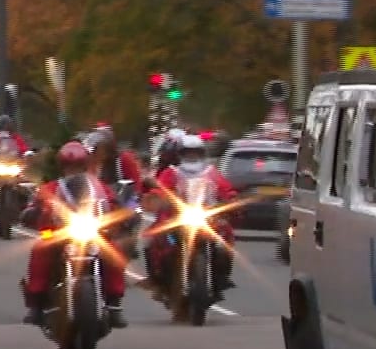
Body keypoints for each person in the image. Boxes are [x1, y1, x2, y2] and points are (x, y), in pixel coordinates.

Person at [20, 140, 128, 329]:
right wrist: (32, 212)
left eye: (78, 166)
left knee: (114, 250)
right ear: (62, 167)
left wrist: (122, 213)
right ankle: (36, 303)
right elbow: (36, 204)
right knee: (39, 248)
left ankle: (114, 303)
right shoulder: (53, 187)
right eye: (70, 166)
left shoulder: (98, 187)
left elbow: (113, 202)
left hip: (92, 232)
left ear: (85, 166)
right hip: (57, 234)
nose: (74, 170)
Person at [146, 134, 238, 295]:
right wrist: (156, 197)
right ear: (180, 154)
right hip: (177, 218)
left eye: (196, 152)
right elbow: (160, 189)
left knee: (225, 237)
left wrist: (231, 200)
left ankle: (222, 276)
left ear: (202, 154)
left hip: (206, 217)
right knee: (155, 240)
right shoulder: (171, 172)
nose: (192, 156)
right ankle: (159, 278)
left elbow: (226, 190)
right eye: (188, 152)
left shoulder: (212, 173)